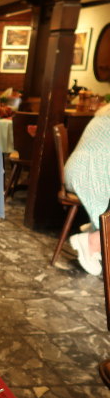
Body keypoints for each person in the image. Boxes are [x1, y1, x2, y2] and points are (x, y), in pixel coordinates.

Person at [65, 103, 110, 276]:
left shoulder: (105, 111)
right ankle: (92, 240)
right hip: (88, 174)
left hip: (82, 170)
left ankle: (95, 229)